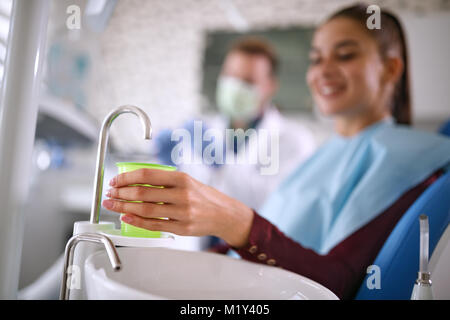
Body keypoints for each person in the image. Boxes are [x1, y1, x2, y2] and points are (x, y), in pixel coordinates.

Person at [102, 4, 450, 299]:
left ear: (390, 69)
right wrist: (177, 264)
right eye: (316, 58)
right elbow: (281, 229)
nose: (324, 70)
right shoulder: (328, 154)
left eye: (345, 55)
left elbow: (336, 283)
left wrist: (232, 219)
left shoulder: (407, 161)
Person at [155, 37, 316, 211]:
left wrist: (223, 165)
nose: (235, 87)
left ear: (270, 86)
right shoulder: (204, 131)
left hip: (253, 238)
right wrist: (171, 170)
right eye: (229, 77)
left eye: (248, 81)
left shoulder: (295, 140)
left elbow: (276, 203)